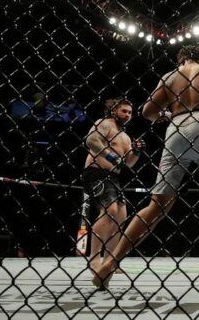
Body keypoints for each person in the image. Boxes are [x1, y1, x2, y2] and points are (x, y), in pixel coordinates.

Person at [91, 45, 199, 298]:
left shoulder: (169, 77)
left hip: (176, 128)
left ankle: (110, 262)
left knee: (157, 205)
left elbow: (147, 112)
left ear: (180, 60)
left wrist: (167, 113)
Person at [82, 99, 144, 272]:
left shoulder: (124, 136)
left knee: (120, 217)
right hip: (96, 172)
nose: (127, 115)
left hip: (113, 178)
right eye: (124, 111)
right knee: (110, 211)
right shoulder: (104, 123)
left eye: (130, 113)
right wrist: (110, 156)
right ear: (113, 110)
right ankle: (94, 259)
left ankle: (110, 261)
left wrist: (137, 151)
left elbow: (129, 163)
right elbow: (91, 141)